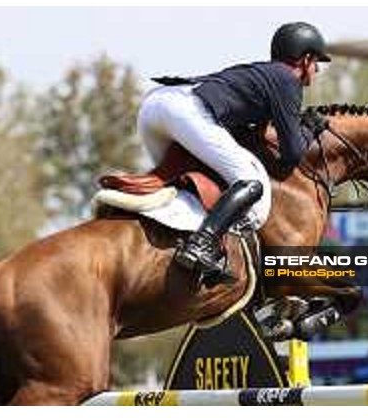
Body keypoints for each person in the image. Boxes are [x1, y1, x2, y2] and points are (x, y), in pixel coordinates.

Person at [138, 21, 331, 284]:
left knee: (191, 187)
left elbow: (255, 139)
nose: (317, 70)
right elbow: (293, 155)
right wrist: (310, 130)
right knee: (251, 183)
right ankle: (200, 245)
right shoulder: (287, 80)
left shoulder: (264, 76)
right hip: (184, 111)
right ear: (305, 58)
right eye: (316, 62)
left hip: (155, 106)